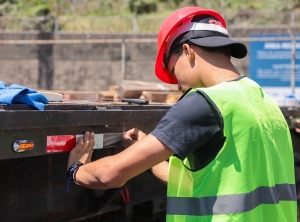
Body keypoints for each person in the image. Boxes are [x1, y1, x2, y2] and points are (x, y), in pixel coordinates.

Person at [67, 6, 297, 221]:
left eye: (173, 69)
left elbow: (110, 175)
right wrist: (147, 155)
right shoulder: (264, 101)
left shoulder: (204, 103)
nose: (177, 84)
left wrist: (77, 170)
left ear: (188, 51)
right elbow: (202, 185)